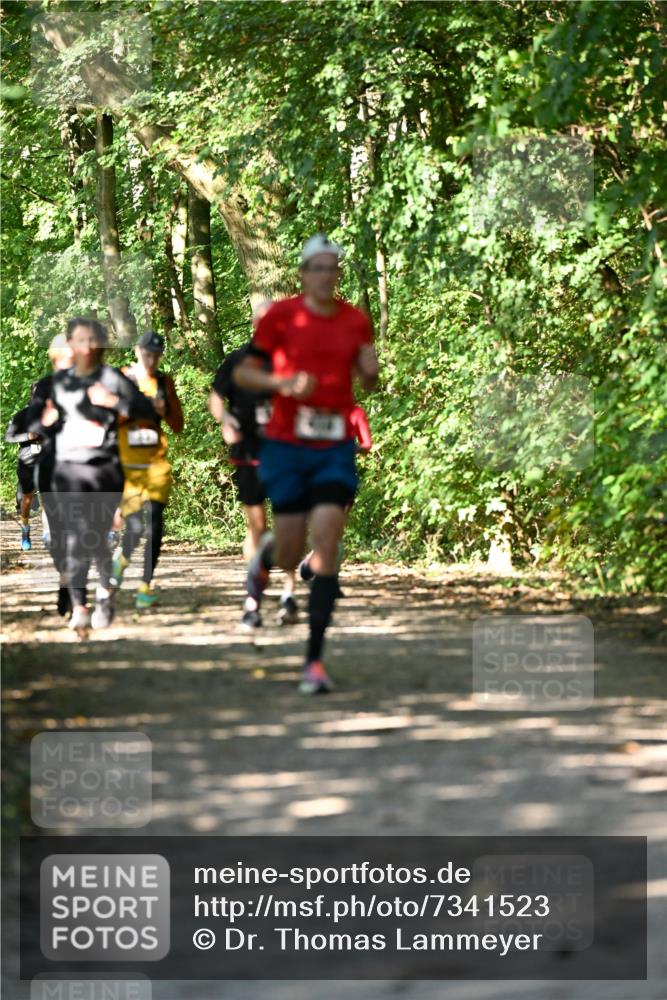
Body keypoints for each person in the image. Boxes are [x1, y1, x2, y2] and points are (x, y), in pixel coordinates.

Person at [234, 234, 379, 693]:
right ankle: (264, 560)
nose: (325, 275)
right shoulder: (280, 317)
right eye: (317, 268)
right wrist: (283, 383)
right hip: (287, 446)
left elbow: (368, 381)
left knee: (328, 540)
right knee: (290, 551)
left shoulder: (355, 320)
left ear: (338, 273)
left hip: (334, 447)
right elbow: (244, 373)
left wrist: (371, 371)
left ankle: (314, 661)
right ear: (303, 274)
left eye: (332, 268)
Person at [27, 317, 156, 636]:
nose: (86, 347)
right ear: (71, 344)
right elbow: (33, 424)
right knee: (74, 536)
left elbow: (146, 411)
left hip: (105, 469)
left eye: (92, 340)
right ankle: (80, 608)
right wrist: (45, 421)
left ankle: (103, 594)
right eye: (79, 340)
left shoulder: (112, 378)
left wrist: (112, 402)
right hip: (68, 470)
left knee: (96, 537)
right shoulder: (54, 384)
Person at [209, 304, 298, 630]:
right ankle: (254, 598)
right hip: (248, 453)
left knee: (288, 525)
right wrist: (226, 419)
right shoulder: (236, 361)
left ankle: (288, 594)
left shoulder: (290, 360)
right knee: (257, 527)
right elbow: (215, 399)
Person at [111, 331, 184, 608]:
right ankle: (122, 561)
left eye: (156, 355)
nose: (151, 360)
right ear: (137, 351)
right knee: (135, 527)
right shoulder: (122, 378)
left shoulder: (164, 382)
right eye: (147, 354)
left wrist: (165, 410)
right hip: (127, 466)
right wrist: (135, 409)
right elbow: (106, 417)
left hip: (156, 465)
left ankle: (145, 586)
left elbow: (178, 425)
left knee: (155, 523)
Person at [4, 335, 74, 563]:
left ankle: (47, 533)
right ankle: (25, 528)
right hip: (27, 459)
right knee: (27, 498)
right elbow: (9, 437)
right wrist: (29, 436)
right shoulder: (22, 415)